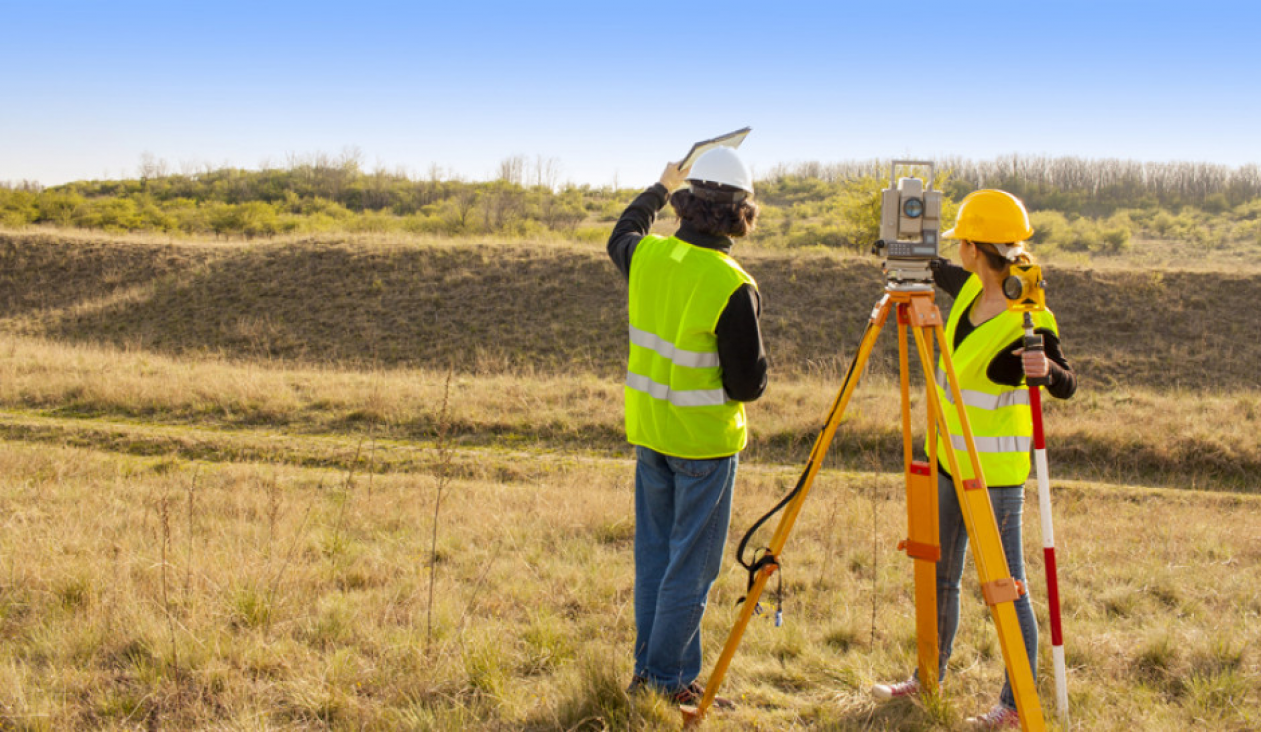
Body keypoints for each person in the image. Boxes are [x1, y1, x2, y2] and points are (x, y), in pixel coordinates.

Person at [870, 190, 1077, 729]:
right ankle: (928, 677)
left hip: (995, 479)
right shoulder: (967, 290)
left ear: (973, 248)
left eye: (960, 242)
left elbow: (1066, 383)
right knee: (938, 574)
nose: (954, 252)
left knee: (1005, 590)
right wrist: (896, 253)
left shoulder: (1030, 315)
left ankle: (1014, 705)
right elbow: (933, 270)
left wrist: (1045, 371)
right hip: (946, 461)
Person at [606, 146, 767, 708]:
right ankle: (665, 681)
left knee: (656, 559)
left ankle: (654, 672)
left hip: (651, 434)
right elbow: (747, 385)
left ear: (685, 202)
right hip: (703, 446)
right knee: (690, 570)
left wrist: (658, 185)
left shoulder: (647, 257)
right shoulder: (731, 284)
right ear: (740, 214)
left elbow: (622, 232)